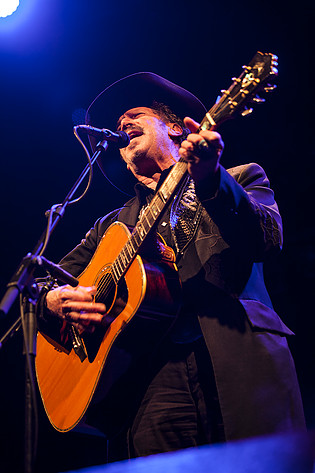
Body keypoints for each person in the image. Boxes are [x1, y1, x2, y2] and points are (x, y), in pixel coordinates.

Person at [36, 72, 305, 460]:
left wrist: (211, 177)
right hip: (145, 385)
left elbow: (267, 238)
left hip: (237, 364)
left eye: (135, 115)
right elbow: (42, 281)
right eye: (118, 124)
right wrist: (52, 301)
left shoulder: (239, 177)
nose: (122, 124)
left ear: (177, 129)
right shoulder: (110, 229)